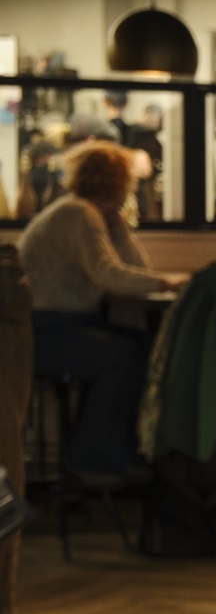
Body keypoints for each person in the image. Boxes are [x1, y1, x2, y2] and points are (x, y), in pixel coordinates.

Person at [21, 140, 179, 475]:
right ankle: (97, 459)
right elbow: (109, 275)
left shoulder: (82, 211)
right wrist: (164, 283)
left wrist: (119, 225)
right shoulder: (79, 214)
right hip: (46, 329)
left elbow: (135, 266)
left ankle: (121, 452)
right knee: (127, 356)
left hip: (46, 326)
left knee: (141, 346)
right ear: (120, 183)